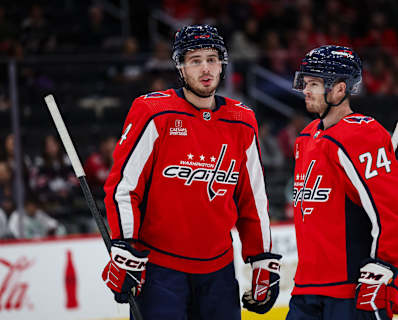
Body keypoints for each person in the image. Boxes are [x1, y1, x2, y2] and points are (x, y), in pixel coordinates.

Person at [101, 24, 281, 319]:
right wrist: (125, 247)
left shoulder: (242, 120)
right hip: (160, 272)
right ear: (180, 68)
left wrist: (261, 258)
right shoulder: (154, 112)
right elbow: (124, 187)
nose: (205, 68)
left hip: (219, 273)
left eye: (212, 59)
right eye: (195, 60)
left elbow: (253, 200)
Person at [286, 45, 398, 320]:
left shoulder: (361, 135)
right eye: (305, 82)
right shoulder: (305, 137)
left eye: (314, 84)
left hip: (348, 290)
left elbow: (396, 208)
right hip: (306, 287)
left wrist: (384, 264)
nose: (306, 90)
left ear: (339, 89)